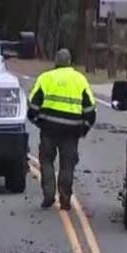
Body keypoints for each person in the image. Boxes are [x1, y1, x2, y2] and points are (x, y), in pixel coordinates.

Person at [28, 48, 96, 209]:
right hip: (71, 131)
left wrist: (38, 122)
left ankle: (49, 194)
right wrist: (84, 129)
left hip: (49, 128)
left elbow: (33, 106)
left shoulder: (45, 78)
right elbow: (90, 110)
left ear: (56, 61)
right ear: (70, 62)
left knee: (46, 161)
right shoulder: (80, 80)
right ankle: (65, 199)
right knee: (67, 164)